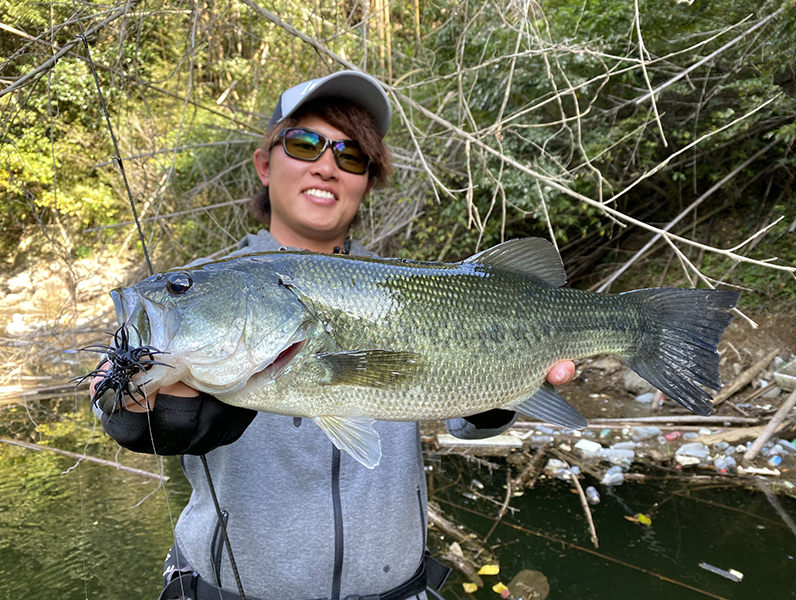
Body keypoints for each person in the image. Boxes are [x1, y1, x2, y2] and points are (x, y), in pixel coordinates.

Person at [91, 70, 575, 600]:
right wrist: (133, 410)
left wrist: (500, 392)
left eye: (351, 155)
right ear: (264, 162)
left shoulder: (412, 283)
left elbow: (467, 422)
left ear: (367, 179)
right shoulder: (203, 282)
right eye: (304, 143)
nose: (327, 164)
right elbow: (109, 391)